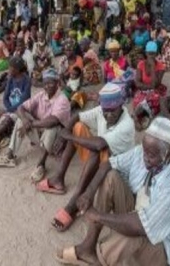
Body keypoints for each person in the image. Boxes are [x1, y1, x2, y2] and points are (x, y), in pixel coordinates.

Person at [55, 117, 170, 266]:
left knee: (138, 232)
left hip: (160, 249)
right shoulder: (143, 151)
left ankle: (100, 260)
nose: (144, 158)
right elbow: (108, 164)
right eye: (145, 151)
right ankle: (88, 247)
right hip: (140, 213)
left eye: (151, 155)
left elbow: (141, 226)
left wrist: (98, 216)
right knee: (111, 177)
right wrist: (89, 192)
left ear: (169, 155)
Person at [38, 83, 135, 232]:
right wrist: (65, 133)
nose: (108, 115)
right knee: (78, 128)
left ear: (121, 105)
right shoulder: (103, 110)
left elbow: (99, 144)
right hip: (102, 164)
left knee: (97, 147)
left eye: (112, 111)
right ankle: (59, 178)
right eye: (105, 111)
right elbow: (77, 116)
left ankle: (73, 204)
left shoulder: (126, 124)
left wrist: (67, 136)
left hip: (115, 175)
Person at [0, 68, 71, 180]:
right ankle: (10, 156)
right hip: (40, 134)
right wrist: (25, 120)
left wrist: (31, 124)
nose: (47, 86)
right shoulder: (41, 95)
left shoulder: (62, 99)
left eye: (51, 83)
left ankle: (41, 165)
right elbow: (21, 107)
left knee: (52, 127)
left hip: (57, 141)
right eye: (45, 83)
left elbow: (52, 121)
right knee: (21, 119)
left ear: (57, 83)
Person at [0, 57, 31, 154]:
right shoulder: (11, 79)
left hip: (21, 110)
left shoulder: (26, 81)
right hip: (11, 109)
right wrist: (9, 109)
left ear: (17, 69)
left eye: (11, 68)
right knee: (7, 121)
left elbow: (24, 100)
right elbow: (5, 98)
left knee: (8, 121)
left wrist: (10, 110)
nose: (8, 70)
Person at [132, 41, 166, 125]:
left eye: (153, 54)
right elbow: (137, 82)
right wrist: (149, 87)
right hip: (144, 90)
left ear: (156, 54)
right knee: (137, 101)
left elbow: (156, 85)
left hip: (155, 90)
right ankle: (143, 114)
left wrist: (153, 67)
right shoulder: (141, 64)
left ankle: (145, 114)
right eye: (149, 54)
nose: (151, 56)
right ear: (146, 53)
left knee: (154, 99)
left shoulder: (161, 66)